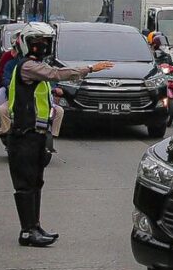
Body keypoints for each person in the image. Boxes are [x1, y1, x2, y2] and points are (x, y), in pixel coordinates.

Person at [7, 22, 113, 247]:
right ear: (27, 44)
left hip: (36, 134)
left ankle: (34, 227)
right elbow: (56, 73)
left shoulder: (36, 69)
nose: (42, 47)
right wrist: (91, 69)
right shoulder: (28, 67)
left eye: (45, 43)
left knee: (36, 182)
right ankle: (27, 231)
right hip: (23, 135)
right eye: (38, 43)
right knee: (25, 185)